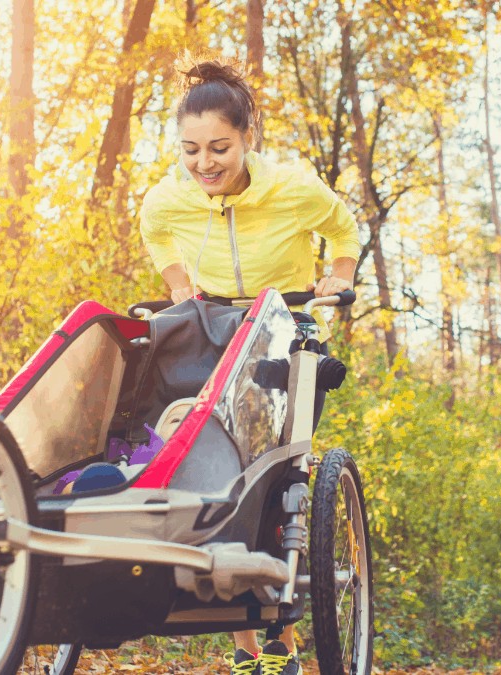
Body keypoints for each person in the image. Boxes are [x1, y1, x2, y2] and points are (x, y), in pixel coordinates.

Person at [139, 59, 361, 675]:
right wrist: (183, 291)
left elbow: (344, 226)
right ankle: (246, 654)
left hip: (287, 329)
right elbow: (155, 233)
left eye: (219, 147)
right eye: (190, 150)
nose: (204, 163)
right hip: (215, 332)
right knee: (213, 473)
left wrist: (338, 279)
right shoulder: (169, 197)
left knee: (267, 481)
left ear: (247, 138)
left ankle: (278, 641)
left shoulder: (292, 186)